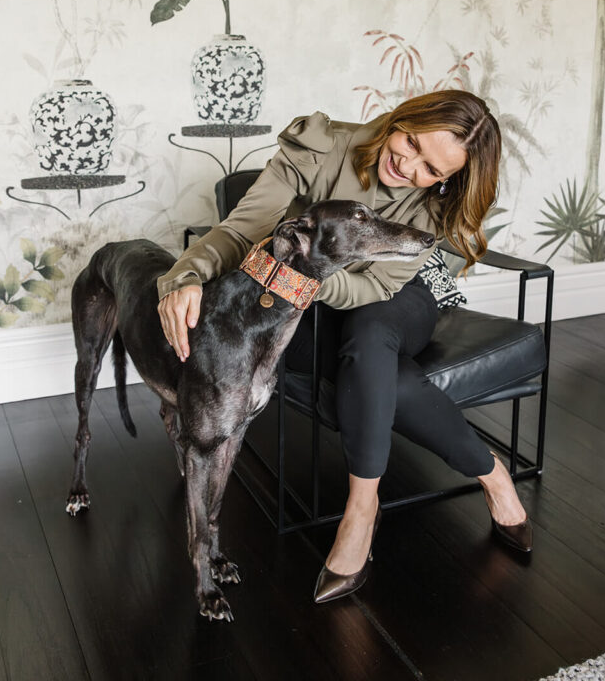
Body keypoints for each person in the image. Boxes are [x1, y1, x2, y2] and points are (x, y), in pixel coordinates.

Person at [157, 91, 532, 605]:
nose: (409, 164)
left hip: (392, 300)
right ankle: (490, 472)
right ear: (399, 119)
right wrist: (185, 276)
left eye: (431, 169)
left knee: (371, 336)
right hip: (301, 307)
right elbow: (243, 231)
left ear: (446, 179)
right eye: (411, 142)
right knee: (386, 375)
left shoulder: (434, 203)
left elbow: (371, 288)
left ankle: (360, 510)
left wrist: (295, 280)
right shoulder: (319, 146)